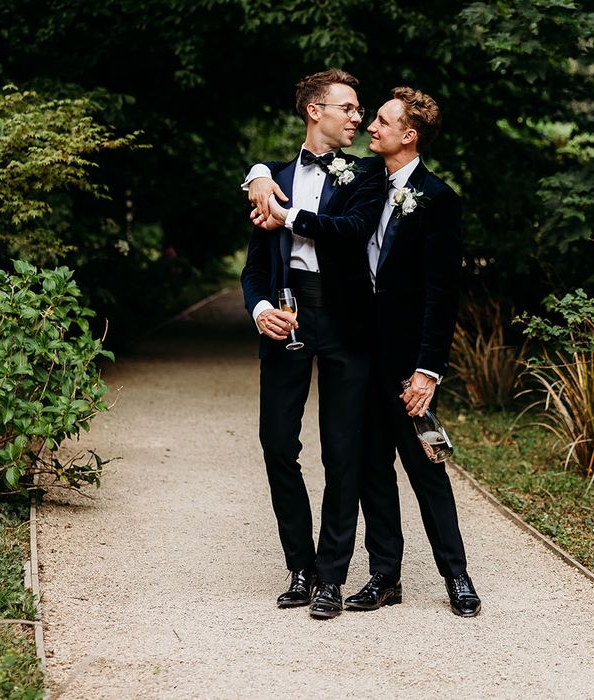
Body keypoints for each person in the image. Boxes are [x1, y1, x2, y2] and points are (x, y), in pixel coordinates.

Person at [255, 86, 480, 617]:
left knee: (425, 463)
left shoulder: (438, 198)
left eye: (382, 120)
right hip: (358, 347)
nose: (370, 126)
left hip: (405, 362)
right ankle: (385, 576)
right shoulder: (358, 178)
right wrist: (259, 173)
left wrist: (428, 371)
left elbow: (441, 295)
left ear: (410, 135)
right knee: (373, 468)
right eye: (368, 117)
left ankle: (458, 576)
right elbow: (289, 172)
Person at [240, 69, 385, 619]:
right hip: (288, 316)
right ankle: (298, 567)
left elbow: (350, 229)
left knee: (342, 449)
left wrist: (288, 215)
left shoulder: (367, 174)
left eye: (359, 109)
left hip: (347, 322)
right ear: (314, 111)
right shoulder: (272, 177)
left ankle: (330, 578)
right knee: (277, 442)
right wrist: (259, 311)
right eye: (348, 107)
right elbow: (254, 269)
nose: (358, 118)